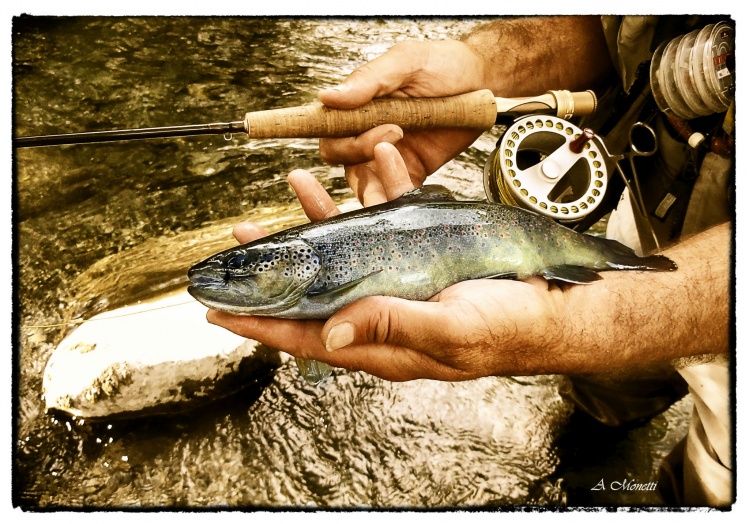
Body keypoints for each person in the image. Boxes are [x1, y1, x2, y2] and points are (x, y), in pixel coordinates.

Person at [207, 16, 732, 506]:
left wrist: (580, 324)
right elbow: (614, 27)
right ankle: (593, 452)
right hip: (650, 208)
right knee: (607, 388)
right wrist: (479, 66)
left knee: (707, 485)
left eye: (239, 270)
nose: (226, 277)